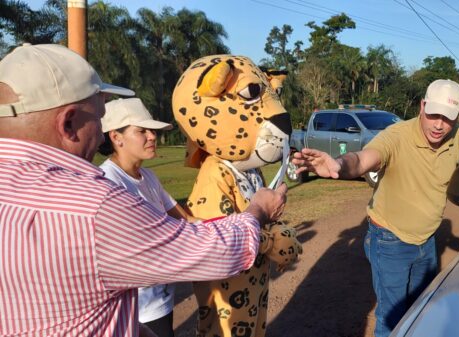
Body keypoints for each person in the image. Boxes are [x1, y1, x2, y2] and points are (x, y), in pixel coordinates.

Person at [0, 43, 287, 337]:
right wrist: (259, 211)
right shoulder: (95, 207)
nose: (99, 133)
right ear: (69, 123)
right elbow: (212, 253)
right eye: (98, 117)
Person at [291, 79, 459, 337]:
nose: (439, 125)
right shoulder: (396, 136)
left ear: (458, 117)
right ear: (422, 106)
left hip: (427, 240)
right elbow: (364, 159)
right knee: (392, 318)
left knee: (420, 309)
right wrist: (339, 165)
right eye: (433, 114)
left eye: (447, 117)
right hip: (391, 241)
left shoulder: (456, 135)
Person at [97, 98, 200, 337]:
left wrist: (236, 223)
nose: (152, 136)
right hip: (137, 308)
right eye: (142, 131)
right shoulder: (109, 183)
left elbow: (184, 220)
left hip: (160, 297)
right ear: (116, 137)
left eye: (151, 130)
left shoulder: (148, 176)